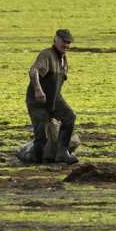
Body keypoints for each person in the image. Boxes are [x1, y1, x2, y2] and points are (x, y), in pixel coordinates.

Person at [25, 29, 78, 164]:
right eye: (63, 41)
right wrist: (38, 89)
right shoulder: (46, 55)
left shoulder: (63, 60)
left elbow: (57, 84)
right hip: (38, 100)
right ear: (55, 40)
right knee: (41, 134)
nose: (65, 45)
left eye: (68, 42)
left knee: (69, 117)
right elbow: (33, 71)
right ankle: (36, 160)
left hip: (54, 98)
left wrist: (55, 103)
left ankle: (62, 152)